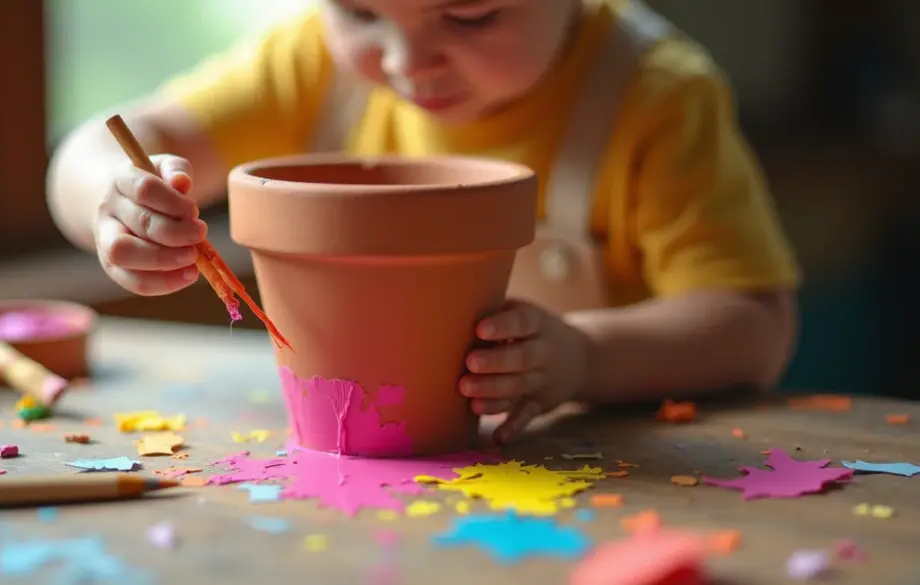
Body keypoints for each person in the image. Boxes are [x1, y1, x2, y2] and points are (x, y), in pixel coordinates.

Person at [47, 0, 800, 443]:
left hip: (608, 480)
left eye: (469, 14)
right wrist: (116, 199)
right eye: (361, 12)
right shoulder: (313, 63)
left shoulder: (655, 100)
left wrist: (584, 358)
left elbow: (754, 326)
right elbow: (91, 147)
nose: (408, 61)